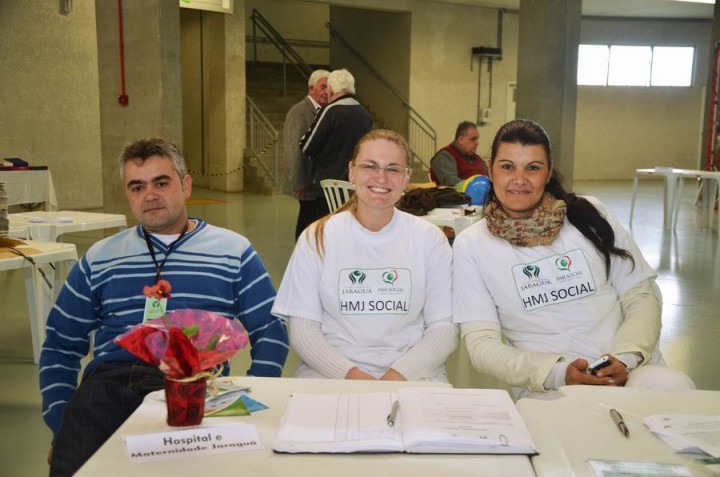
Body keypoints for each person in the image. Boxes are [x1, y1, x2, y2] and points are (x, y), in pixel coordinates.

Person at [39, 138, 289, 476]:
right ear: (127, 194)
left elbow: (270, 328)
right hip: (108, 385)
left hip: (194, 385)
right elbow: (59, 343)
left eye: (161, 182)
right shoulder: (100, 257)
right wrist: (61, 422)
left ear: (185, 186)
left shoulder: (233, 251)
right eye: (137, 186)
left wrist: (257, 394)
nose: (150, 195)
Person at [452, 119, 694, 399]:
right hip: (549, 386)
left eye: (533, 167)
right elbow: (482, 345)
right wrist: (557, 372)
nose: (519, 180)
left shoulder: (589, 215)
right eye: (508, 167)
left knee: (676, 390)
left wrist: (625, 358)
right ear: (491, 169)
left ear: (549, 171)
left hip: (630, 373)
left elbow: (641, 292)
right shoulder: (472, 245)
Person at [273, 129, 458, 381]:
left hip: (414, 376)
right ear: (352, 171)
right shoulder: (317, 237)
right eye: (370, 166)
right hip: (329, 376)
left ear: (407, 178)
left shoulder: (429, 239)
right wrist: (352, 376)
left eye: (393, 169)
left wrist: (397, 376)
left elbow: (443, 328)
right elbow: (303, 329)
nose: (381, 177)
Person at [299, 68, 372, 229]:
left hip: (328, 188)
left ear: (331, 89)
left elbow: (307, 146)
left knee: (325, 229)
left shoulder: (330, 111)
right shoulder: (364, 113)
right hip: (355, 186)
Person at [283, 69, 330, 239]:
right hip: (305, 182)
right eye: (322, 87)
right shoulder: (299, 112)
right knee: (306, 222)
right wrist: (299, 181)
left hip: (314, 182)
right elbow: (292, 150)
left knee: (313, 222)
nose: (326, 92)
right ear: (311, 88)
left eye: (329, 88)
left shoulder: (324, 111)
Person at [430, 121, 488, 186]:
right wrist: (475, 186)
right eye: (473, 139)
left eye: (477, 139)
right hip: (458, 195)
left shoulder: (477, 158)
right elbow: (450, 181)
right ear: (460, 139)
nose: (477, 143)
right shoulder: (444, 156)